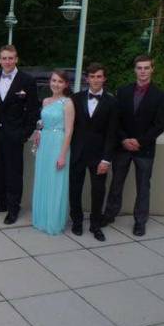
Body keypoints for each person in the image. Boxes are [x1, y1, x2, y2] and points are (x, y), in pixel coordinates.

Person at [103, 55, 164, 236]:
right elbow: (116, 120)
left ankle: (140, 221)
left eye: (146, 68)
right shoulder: (123, 91)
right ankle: (109, 214)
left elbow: (159, 125)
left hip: (144, 149)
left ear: (152, 69)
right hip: (122, 147)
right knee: (116, 183)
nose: (143, 71)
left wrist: (140, 142)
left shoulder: (161, 95)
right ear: (135, 70)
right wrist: (124, 139)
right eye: (140, 68)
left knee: (143, 187)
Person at [0, 45, 39, 225]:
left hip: (15, 134)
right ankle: (1, 203)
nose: (7, 61)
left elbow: (34, 109)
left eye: (11, 58)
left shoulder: (27, 80)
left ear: (16, 59)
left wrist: (25, 133)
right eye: (4, 58)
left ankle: (13, 208)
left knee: (14, 173)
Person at [68, 63, 118, 241]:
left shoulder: (112, 102)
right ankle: (77, 222)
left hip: (99, 156)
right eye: (92, 76)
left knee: (98, 191)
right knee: (75, 189)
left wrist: (107, 159)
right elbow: (68, 127)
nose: (95, 80)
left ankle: (95, 225)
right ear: (87, 78)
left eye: (99, 76)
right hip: (77, 153)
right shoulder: (75, 98)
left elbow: (112, 134)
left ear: (104, 79)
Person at [32, 71, 75, 235]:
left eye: (60, 81)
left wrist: (63, 155)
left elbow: (69, 131)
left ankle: (53, 220)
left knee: (56, 181)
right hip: (45, 144)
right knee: (43, 179)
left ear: (65, 84)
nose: (56, 84)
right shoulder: (46, 101)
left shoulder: (68, 103)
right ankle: (42, 217)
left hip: (58, 143)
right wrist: (38, 132)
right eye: (54, 80)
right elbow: (43, 122)